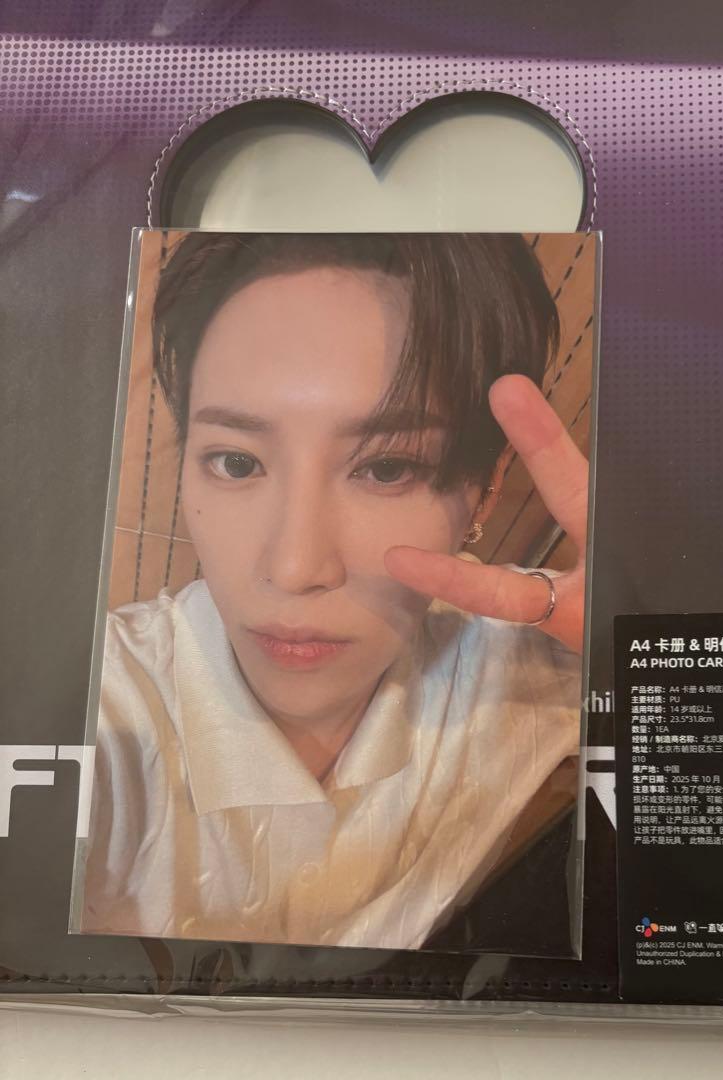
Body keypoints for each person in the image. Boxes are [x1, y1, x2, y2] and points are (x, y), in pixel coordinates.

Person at [76, 233, 589, 952]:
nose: (295, 568)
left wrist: (677, 649)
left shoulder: (542, 672)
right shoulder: (91, 709)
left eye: (386, 469)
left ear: (487, 487)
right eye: (236, 461)